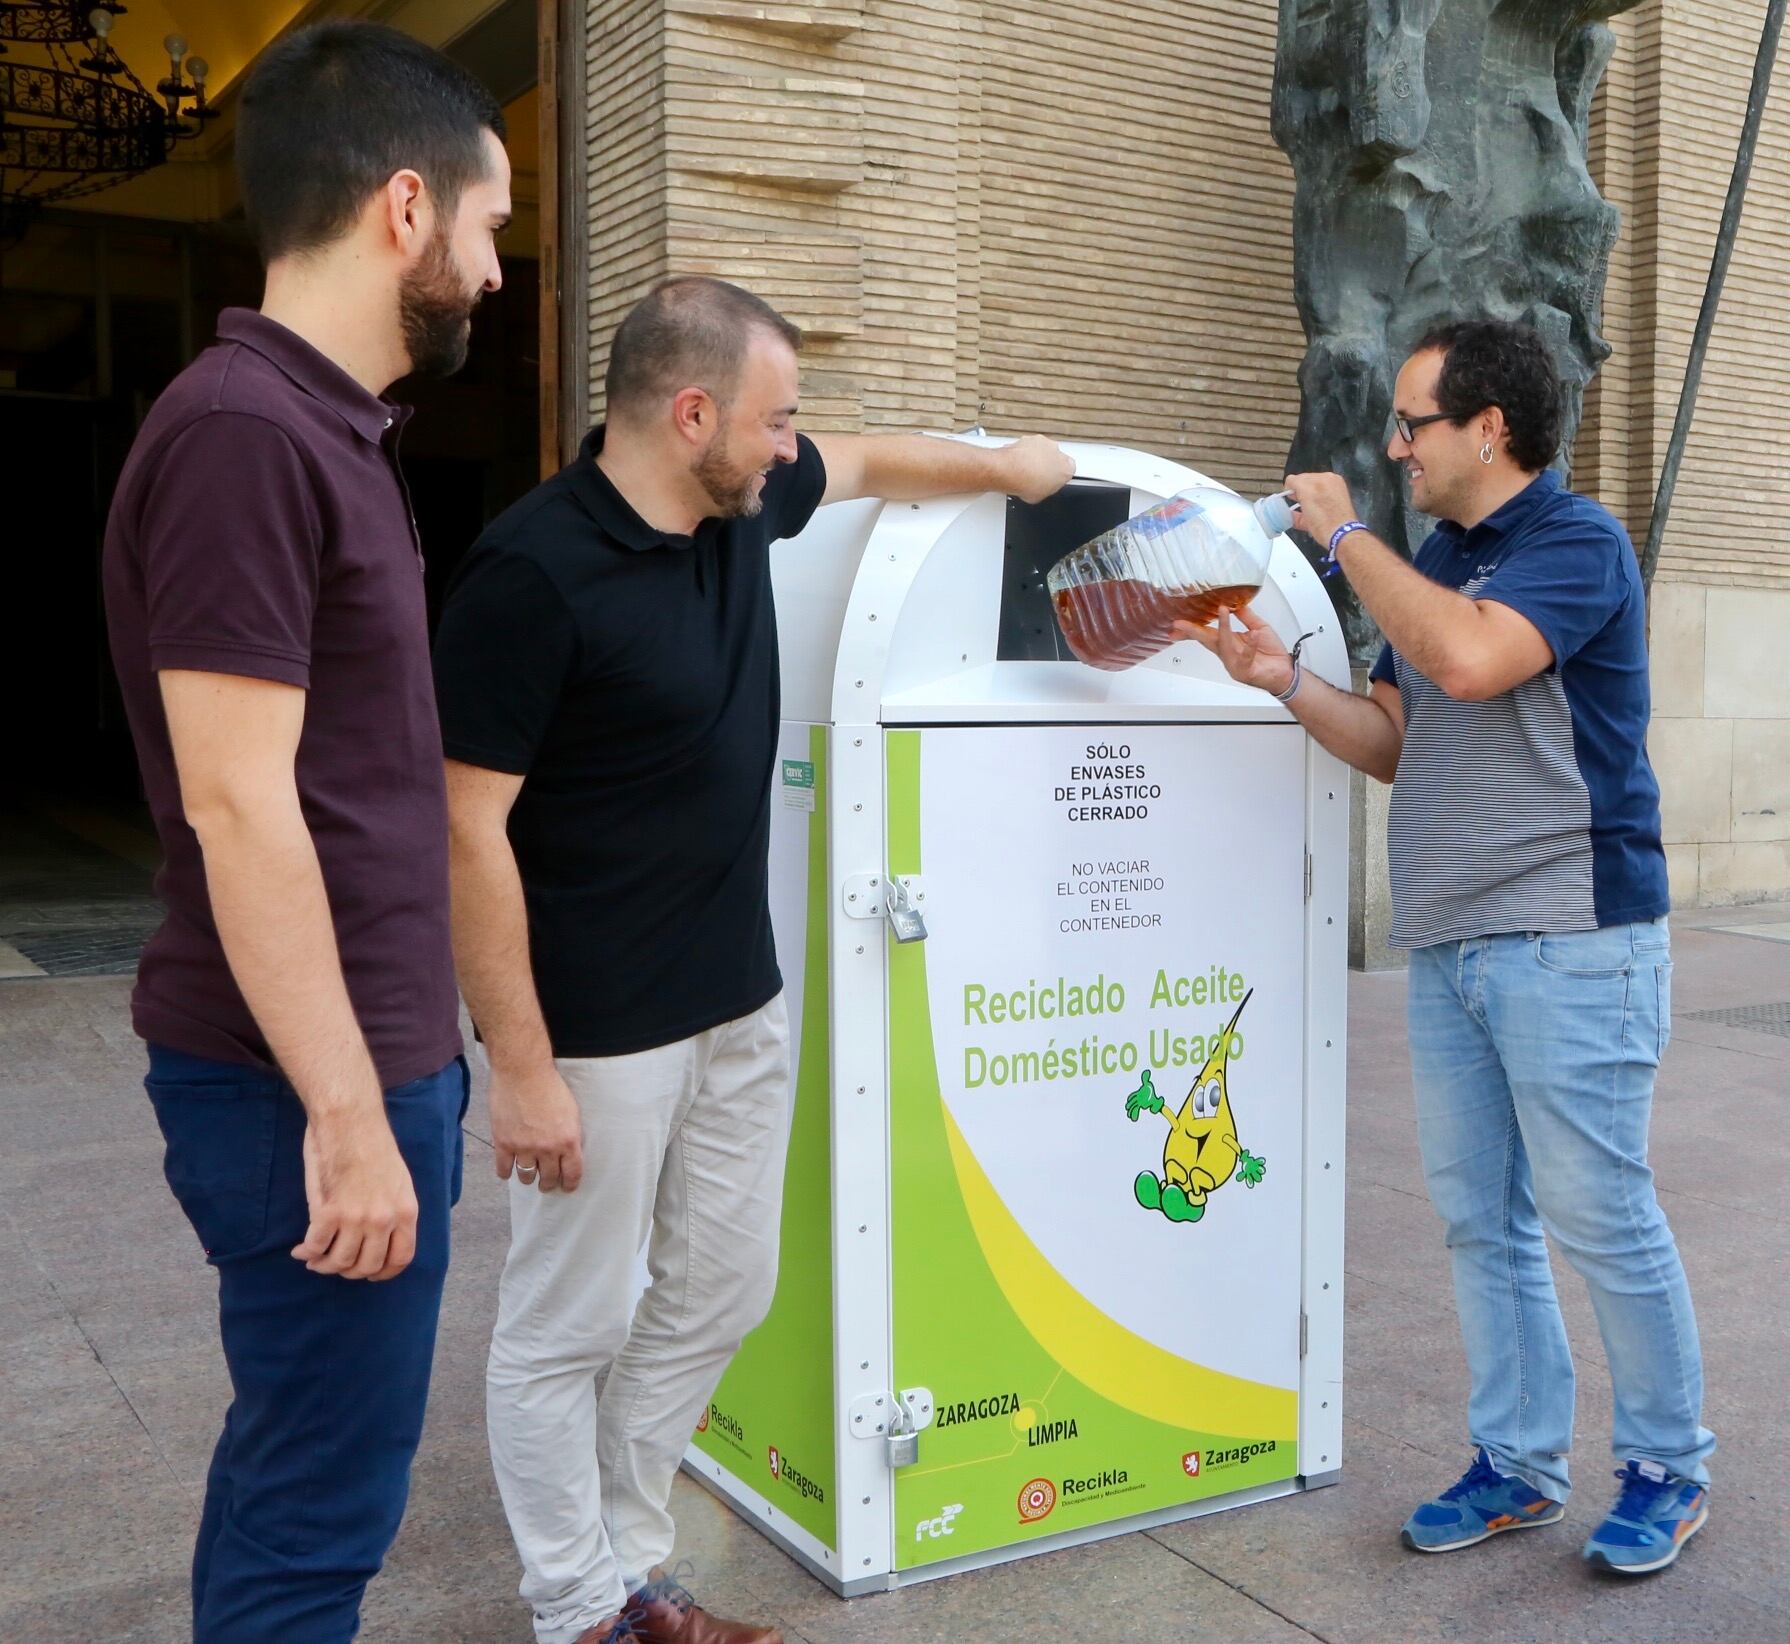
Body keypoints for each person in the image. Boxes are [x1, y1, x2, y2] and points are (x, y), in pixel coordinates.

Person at [432, 275, 1074, 1644]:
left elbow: (881, 459)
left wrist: (1010, 466)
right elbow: (464, 834)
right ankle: (580, 1608)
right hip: (596, 1034)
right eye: (774, 421)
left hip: (736, 996)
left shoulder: (741, 499)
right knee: (568, 1323)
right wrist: (523, 1071)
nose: (793, 448)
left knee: (726, 1284)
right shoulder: (528, 577)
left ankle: (627, 1559)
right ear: (690, 412)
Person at [1178, 317, 1714, 1575]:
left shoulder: (1577, 543)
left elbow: (1471, 662)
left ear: (1490, 428)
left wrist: (1343, 535)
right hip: (1456, 940)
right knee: (1484, 1221)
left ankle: (1666, 1469)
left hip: (1573, 935)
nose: (1395, 445)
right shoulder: (1440, 554)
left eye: (1413, 424)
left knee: (1601, 1216)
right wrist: (1282, 681)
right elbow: (1394, 739)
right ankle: (1520, 1465)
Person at [96, 22, 511, 1642]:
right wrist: (347, 1110)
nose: (492, 270)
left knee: (313, 1465)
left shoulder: (321, 429)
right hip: (300, 1084)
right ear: (404, 209)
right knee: (318, 1502)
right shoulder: (244, 437)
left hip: (358, 1062)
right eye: (485, 228)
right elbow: (235, 796)